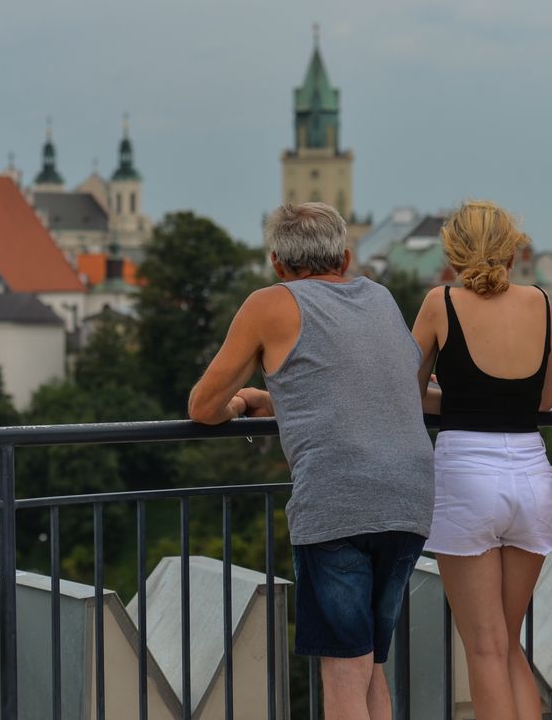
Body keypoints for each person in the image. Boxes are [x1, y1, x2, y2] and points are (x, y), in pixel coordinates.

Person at [188, 202, 433, 720]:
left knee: (342, 671)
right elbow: (364, 389)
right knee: (369, 662)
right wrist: (280, 400)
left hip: (337, 501)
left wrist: (241, 402)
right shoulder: (381, 298)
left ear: (278, 263)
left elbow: (203, 407)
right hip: (408, 496)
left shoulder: (269, 304)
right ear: (345, 257)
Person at [409, 201, 552, 720]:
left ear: (453, 251)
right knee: (509, 641)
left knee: (485, 648)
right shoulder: (539, 301)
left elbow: (405, 391)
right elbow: (543, 398)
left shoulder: (439, 302)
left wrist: (453, 397)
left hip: (466, 474)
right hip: (532, 474)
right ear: (513, 249)